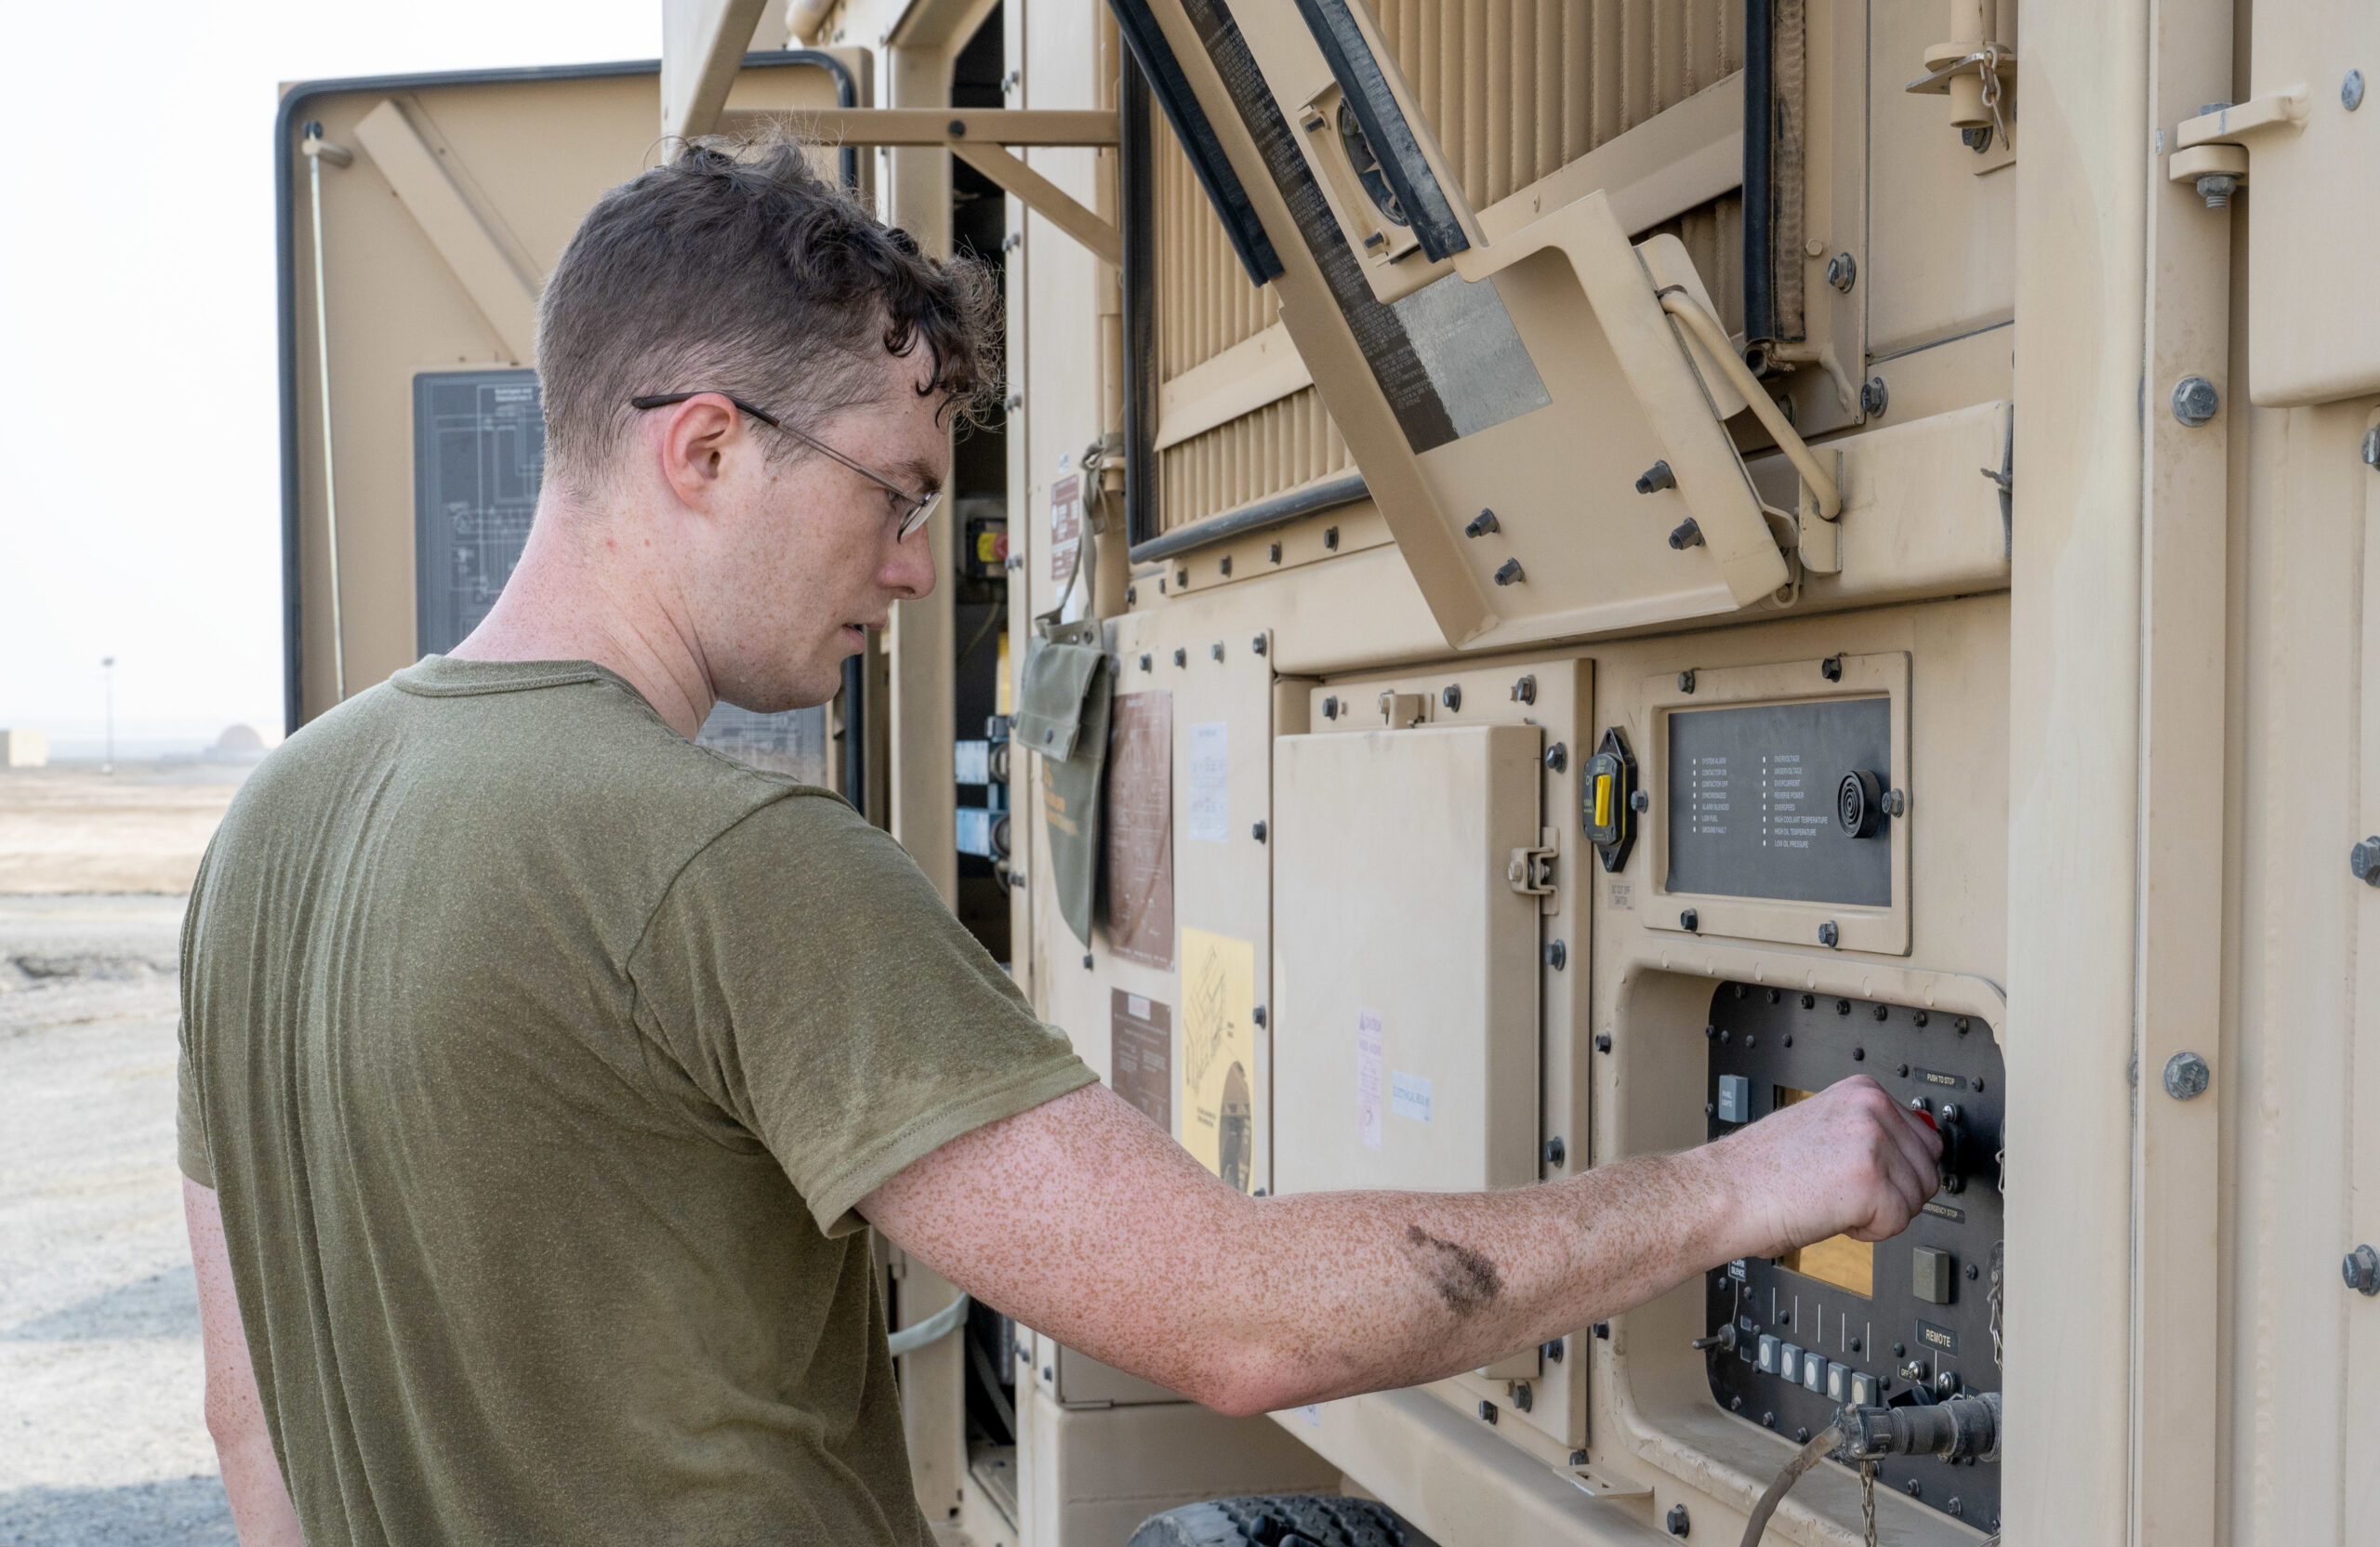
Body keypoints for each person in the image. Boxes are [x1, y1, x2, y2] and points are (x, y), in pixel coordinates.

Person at [179, 136, 1942, 1547]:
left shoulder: (274, 828)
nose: (913, 568)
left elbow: (246, 1419)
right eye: (894, 495)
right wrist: (1737, 1185)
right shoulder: (728, 865)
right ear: (706, 449)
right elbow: (1239, 1321)